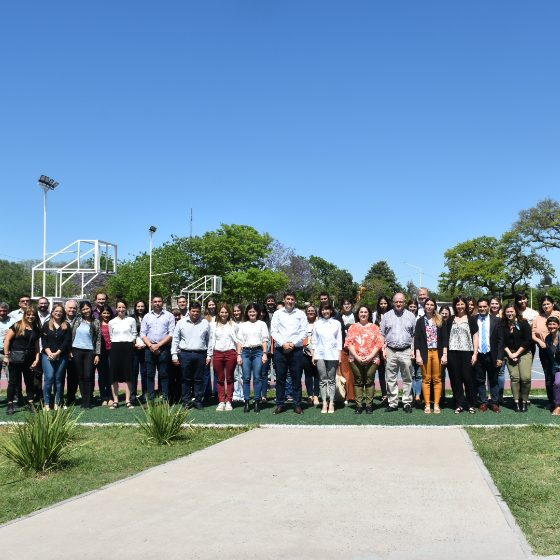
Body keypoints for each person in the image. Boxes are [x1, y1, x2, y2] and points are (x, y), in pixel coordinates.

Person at [270, 291, 307, 414]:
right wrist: (283, 343)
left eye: (292, 299)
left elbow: (304, 332)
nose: (290, 301)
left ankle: (297, 404)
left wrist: (293, 343)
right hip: (281, 349)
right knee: (280, 378)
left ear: (295, 300)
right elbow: (274, 331)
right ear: (284, 299)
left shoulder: (301, 314)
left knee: (296, 378)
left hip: (296, 349)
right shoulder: (277, 313)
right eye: (288, 299)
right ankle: (280, 404)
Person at [380, 293, 416, 413]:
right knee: (390, 379)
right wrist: (383, 349)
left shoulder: (411, 316)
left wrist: (413, 349)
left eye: (401, 301)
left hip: (406, 350)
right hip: (391, 350)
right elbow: (382, 334)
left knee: (407, 378)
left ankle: (406, 402)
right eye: (396, 301)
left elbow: (414, 335)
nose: (398, 304)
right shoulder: (386, 316)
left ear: (404, 302)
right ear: (393, 302)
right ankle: (393, 403)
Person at [345, 304, 384, 414]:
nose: (363, 314)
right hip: (355, 359)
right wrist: (357, 357)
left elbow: (379, 343)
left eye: (365, 312)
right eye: (361, 312)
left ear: (369, 314)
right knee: (358, 382)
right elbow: (349, 343)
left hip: (372, 359)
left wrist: (370, 356)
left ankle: (369, 405)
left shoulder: (375, 328)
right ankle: (358, 405)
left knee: (369, 381)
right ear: (358, 314)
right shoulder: (353, 327)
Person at [171, 301, 211, 410]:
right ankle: (186, 402)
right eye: (193, 311)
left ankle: (198, 401)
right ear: (189, 311)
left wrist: (209, 355)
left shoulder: (205, 323)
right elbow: (175, 339)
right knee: (185, 379)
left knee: (199, 379)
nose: (195, 313)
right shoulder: (181, 323)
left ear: (200, 312)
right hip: (185, 354)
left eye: (197, 311)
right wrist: (174, 355)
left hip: (200, 354)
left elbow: (210, 341)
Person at [3, 306, 40, 414]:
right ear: (25, 315)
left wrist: (37, 359)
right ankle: (10, 404)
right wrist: (6, 355)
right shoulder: (17, 325)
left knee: (29, 382)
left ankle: (30, 402)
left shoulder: (36, 329)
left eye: (33, 314)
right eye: (28, 314)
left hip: (29, 359)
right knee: (13, 382)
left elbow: (37, 346)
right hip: (15, 359)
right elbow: (7, 340)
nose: (31, 316)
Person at [414, 298, 448, 414]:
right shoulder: (420, 321)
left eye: (431, 304)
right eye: (427, 304)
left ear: (434, 306)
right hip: (425, 353)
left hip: (437, 353)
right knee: (426, 379)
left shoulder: (439, 320)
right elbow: (417, 340)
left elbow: (444, 339)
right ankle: (427, 404)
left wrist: (444, 355)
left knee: (437, 379)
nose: (429, 306)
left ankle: (436, 404)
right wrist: (418, 355)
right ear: (424, 306)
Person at [446, 296, 479, 414]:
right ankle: (459, 403)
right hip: (453, 353)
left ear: (466, 305)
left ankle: (471, 404)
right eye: (458, 304)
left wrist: (475, 354)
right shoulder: (450, 320)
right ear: (455, 306)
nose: (460, 307)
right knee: (456, 379)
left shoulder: (471, 319)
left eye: (462, 304)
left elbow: (475, 337)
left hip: (467, 353)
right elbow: (446, 337)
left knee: (468, 378)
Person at [141, 295, 175, 400]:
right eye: (155, 301)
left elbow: (171, 333)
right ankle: (150, 399)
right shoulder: (147, 316)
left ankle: (165, 399)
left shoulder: (169, 316)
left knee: (164, 375)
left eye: (159, 301)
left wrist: (158, 345)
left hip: (163, 349)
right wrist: (151, 346)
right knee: (149, 375)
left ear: (162, 302)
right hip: (149, 348)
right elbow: (142, 333)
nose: (157, 303)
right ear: (152, 303)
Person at [473, 298, 504, 413]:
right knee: (480, 380)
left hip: (492, 355)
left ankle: (494, 403)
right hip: (479, 354)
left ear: (488, 307)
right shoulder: (473, 319)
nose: (482, 308)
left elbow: (501, 340)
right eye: (480, 307)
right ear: (478, 307)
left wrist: (500, 357)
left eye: (484, 306)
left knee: (494, 380)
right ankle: (483, 402)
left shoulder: (497, 320)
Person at [237, 303, 269, 413]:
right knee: (245, 378)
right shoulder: (242, 325)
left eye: (254, 311)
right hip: (245, 352)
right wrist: (238, 355)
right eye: (250, 311)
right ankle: (246, 401)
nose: (252, 313)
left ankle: (256, 401)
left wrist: (265, 353)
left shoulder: (262, 324)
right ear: (247, 313)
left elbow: (265, 340)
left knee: (257, 377)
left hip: (258, 352)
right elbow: (240, 341)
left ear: (257, 313)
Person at [311, 303, 343, 414]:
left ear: (331, 311)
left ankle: (331, 402)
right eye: (323, 310)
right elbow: (314, 340)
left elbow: (339, 340)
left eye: (327, 309)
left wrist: (339, 355)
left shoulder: (336, 323)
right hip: (320, 354)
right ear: (321, 311)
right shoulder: (317, 324)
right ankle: (324, 402)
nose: (325, 312)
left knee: (332, 379)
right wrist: (313, 354)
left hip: (333, 355)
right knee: (323, 379)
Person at [70, 301, 101, 409]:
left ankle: (88, 401)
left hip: (89, 352)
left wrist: (97, 354)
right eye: (83, 309)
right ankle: (84, 401)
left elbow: (98, 339)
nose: (85, 311)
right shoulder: (77, 320)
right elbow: (70, 334)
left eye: (87, 308)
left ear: (91, 309)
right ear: (81, 310)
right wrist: (70, 350)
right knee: (80, 376)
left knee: (88, 376)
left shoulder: (96, 322)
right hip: (76, 350)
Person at [503, 302, 532, 412]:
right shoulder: (503, 324)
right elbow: (501, 341)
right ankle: (516, 402)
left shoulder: (523, 323)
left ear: (516, 312)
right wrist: (510, 354)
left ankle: (524, 401)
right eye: (507, 312)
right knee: (515, 378)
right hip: (510, 354)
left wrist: (517, 354)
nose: (509, 313)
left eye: (511, 311)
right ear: (505, 313)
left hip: (524, 353)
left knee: (525, 378)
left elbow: (527, 340)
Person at [41, 303, 71, 410]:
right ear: (52, 312)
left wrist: (57, 353)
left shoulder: (66, 325)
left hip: (62, 356)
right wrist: (50, 353)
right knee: (49, 378)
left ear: (63, 313)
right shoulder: (46, 325)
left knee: (59, 379)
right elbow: (44, 341)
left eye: (60, 311)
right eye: (56, 311)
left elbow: (66, 341)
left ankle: (58, 403)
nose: (58, 313)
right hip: (47, 355)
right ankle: (47, 403)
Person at [109, 300, 138, 409]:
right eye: (119, 307)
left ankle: (127, 401)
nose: (121, 309)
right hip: (115, 348)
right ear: (116, 309)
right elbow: (111, 336)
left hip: (128, 348)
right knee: (114, 375)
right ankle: (115, 401)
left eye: (123, 307)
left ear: (126, 308)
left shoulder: (131, 320)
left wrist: (132, 344)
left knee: (128, 375)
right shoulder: (111, 322)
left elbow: (134, 334)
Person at [532, 296, 560, 409]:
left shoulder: (558, 314)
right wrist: (540, 341)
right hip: (545, 351)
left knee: (558, 377)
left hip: (558, 350)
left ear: (553, 304)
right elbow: (533, 334)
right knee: (548, 376)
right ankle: (552, 401)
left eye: (548, 304)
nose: (546, 306)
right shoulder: (538, 318)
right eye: (544, 304)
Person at [210, 303, 239, 411]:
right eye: (222, 312)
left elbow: (238, 340)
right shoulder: (213, 325)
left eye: (226, 312)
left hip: (230, 353)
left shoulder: (233, 325)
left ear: (228, 313)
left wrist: (238, 353)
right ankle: (221, 401)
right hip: (217, 353)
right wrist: (210, 354)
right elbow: (211, 340)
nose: (224, 314)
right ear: (218, 313)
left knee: (230, 378)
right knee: (220, 379)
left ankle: (229, 402)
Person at [373, 295, 391, 405]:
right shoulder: (375, 315)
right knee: (381, 371)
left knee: (390, 371)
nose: (383, 305)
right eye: (381, 303)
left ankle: (391, 393)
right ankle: (384, 394)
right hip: (378, 347)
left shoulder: (392, 314)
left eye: (385, 303)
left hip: (389, 345)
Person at [336, 298, 355, 404]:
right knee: (345, 372)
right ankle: (346, 396)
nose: (347, 306)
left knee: (355, 372)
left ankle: (354, 395)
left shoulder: (356, 315)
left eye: (348, 304)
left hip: (356, 347)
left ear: (351, 305)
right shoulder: (338, 316)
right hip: (343, 347)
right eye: (344, 304)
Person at [131, 300, 148, 404]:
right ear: (135, 307)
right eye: (138, 306)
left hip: (146, 348)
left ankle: (145, 394)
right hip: (134, 349)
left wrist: (146, 344)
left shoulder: (149, 317)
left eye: (142, 306)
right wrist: (134, 344)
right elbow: (129, 333)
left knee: (145, 372)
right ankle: (132, 394)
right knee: (133, 372)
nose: (140, 308)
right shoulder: (131, 318)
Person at [489, 296, 506, 403]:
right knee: (490, 374)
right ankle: (491, 395)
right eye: (492, 303)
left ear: (499, 305)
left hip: (501, 349)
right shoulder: (485, 316)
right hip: (489, 351)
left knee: (500, 373)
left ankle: (500, 395)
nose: (494, 305)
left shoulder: (504, 317)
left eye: (496, 303)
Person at [97, 305, 115, 406]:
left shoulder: (113, 323)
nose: (106, 315)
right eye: (104, 313)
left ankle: (111, 396)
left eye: (108, 313)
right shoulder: (97, 323)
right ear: (101, 314)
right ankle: (103, 396)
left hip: (112, 352)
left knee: (110, 375)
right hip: (101, 353)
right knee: (101, 375)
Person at [303, 305, 319, 406]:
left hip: (318, 352)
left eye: (312, 311)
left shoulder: (319, 323)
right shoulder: (303, 324)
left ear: (316, 312)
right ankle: (310, 395)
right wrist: (308, 349)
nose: (310, 312)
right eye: (308, 311)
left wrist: (315, 351)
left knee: (317, 375)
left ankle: (316, 396)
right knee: (308, 375)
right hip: (305, 353)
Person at [64, 299, 80, 405]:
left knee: (73, 376)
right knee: (58, 376)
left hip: (75, 352)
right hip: (60, 352)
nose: (72, 310)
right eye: (70, 308)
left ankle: (71, 396)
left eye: (74, 308)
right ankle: (58, 396)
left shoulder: (80, 320)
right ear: (65, 308)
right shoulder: (59, 318)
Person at [407, 299, 422, 407]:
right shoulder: (405, 318)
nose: (412, 308)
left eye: (414, 306)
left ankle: (418, 395)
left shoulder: (420, 319)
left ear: (417, 307)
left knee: (419, 374)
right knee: (411, 374)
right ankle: (411, 396)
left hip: (420, 349)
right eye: (411, 306)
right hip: (408, 349)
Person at [544, 316, 560, 416]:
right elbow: (551, 355)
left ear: (558, 326)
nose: (552, 326)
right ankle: (557, 405)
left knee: (557, 383)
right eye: (550, 324)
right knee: (557, 384)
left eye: (554, 324)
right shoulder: (548, 338)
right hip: (555, 366)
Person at [258, 306, 272, 402]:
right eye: (260, 312)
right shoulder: (253, 323)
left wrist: (266, 352)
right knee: (256, 375)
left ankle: (264, 395)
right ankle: (257, 394)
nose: (262, 314)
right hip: (254, 351)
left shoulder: (269, 325)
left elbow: (269, 339)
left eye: (264, 312)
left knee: (264, 373)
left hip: (265, 352)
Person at [438, 305, 452, 406]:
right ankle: (441, 395)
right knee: (440, 376)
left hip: (452, 353)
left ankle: (456, 396)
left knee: (453, 376)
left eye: (446, 313)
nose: (444, 315)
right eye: (442, 313)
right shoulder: (437, 323)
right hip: (440, 353)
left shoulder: (453, 322)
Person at [232, 304, 245, 402]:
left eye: (238, 311)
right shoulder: (231, 323)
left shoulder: (245, 323)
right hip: (233, 350)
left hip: (244, 350)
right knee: (235, 374)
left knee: (243, 374)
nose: (236, 313)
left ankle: (244, 394)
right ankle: (236, 394)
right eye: (235, 311)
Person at [0, 302, 15, 384]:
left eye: (4, 311)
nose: (2, 313)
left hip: (9, 353)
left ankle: (13, 396)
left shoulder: (13, 321)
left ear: (8, 311)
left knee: (11, 377)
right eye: (0, 311)